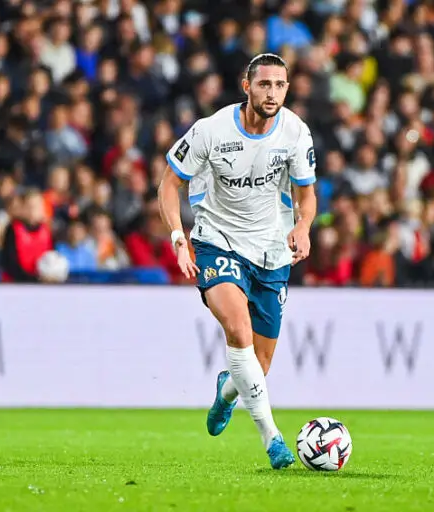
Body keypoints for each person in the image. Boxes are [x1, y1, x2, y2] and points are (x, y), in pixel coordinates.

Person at [157, 53, 317, 469]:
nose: (272, 93)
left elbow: (306, 194)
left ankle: (228, 389)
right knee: (238, 328)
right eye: (264, 84)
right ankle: (273, 439)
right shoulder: (210, 131)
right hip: (218, 242)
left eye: (279, 85)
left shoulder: (295, 132)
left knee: (257, 366)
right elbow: (169, 184)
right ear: (247, 87)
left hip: (272, 250)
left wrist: (304, 226)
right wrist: (179, 238)